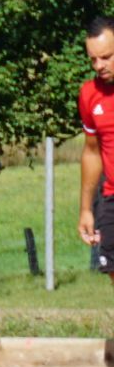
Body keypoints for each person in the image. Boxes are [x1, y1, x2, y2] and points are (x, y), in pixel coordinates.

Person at [74, 16, 114, 283]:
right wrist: (86, 209)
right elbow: (91, 152)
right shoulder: (89, 94)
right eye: (93, 60)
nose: (99, 65)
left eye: (106, 57)